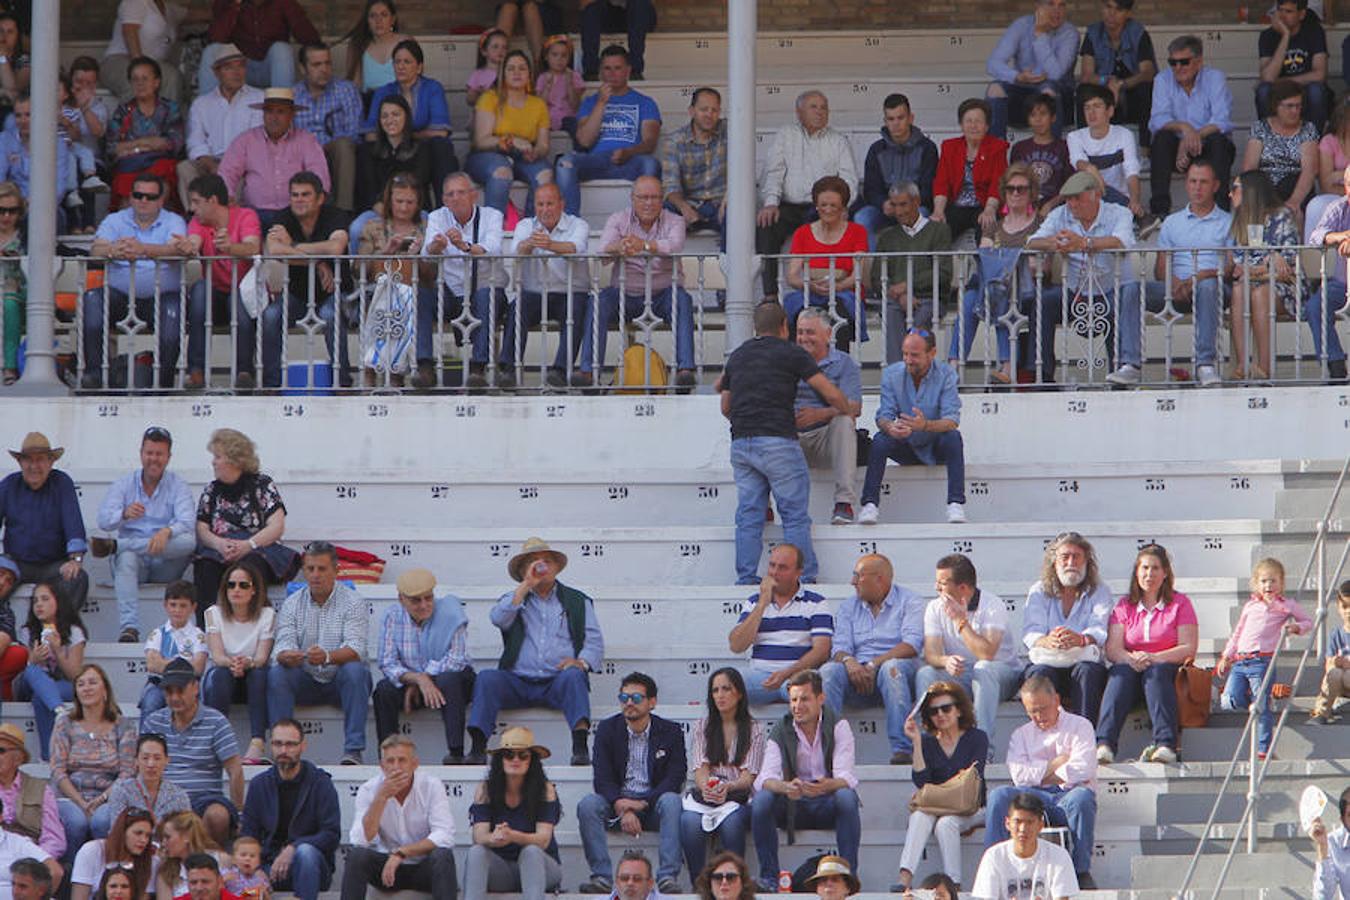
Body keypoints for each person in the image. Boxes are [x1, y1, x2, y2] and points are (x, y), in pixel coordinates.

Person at [718, 301, 851, 583]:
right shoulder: (792, 353)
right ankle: (806, 577)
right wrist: (844, 407)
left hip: (742, 443)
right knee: (793, 515)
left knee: (749, 514)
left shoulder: (739, 355)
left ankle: (745, 577)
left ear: (755, 327)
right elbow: (829, 392)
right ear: (784, 328)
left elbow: (725, 406)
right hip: (778, 440)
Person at [468, 537, 603, 765]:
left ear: (557, 567)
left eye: (547, 561)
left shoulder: (577, 600)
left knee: (575, 675)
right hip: (518, 681)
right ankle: (478, 748)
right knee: (487, 678)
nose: (542, 566)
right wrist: (525, 585)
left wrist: (582, 662)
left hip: (556, 682)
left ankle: (580, 748)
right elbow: (497, 618)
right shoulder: (515, 598)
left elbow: (594, 641)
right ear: (523, 570)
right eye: (533, 562)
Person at [574, 175, 697, 389]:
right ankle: (588, 371)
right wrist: (619, 246)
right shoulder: (618, 219)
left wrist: (645, 246)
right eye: (643, 197)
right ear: (632, 198)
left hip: (663, 294)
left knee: (682, 300)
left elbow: (675, 246)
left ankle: (685, 370)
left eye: (655, 197)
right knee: (598, 302)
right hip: (624, 294)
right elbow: (602, 253)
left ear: (662, 200)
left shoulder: (674, 220)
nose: (649, 203)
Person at [1118, 158, 1231, 388]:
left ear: (1216, 186)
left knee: (1208, 287)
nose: (1197, 187)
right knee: (1131, 288)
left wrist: (1198, 278)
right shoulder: (1171, 222)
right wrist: (1175, 283)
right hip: (1174, 288)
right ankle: (1130, 364)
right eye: (1193, 182)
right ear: (1186, 184)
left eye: (1204, 182)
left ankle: (1204, 364)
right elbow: (1161, 268)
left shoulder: (1228, 222)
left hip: (1212, 287)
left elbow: (1230, 267)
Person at [750, 670, 861, 891]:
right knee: (762, 800)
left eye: (804, 699)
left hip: (826, 804)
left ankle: (848, 878)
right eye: (793, 700)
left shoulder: (838, 725)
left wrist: (827, 785)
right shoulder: (781, 728)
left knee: (847, 797)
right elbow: (764, 778)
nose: (797, 706)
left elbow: (846, 776)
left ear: (821, 698)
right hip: (794, 805)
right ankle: (770, 879)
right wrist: (786, 787)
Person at [983, 676, 1098, 889]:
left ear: (1056, 700)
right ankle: (994, 867)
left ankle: (1080, 872)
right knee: (999, 796)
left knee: (1082, 798)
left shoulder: (1080, 726)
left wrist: (1039, 772)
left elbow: (1084, 769)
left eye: (1042, 709)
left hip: (1068, 795)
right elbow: (1019, 775)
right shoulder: (1021, 735)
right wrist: (1056, 764)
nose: (1038, 716)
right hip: (1031, 796)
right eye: (1031, 711)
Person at [577, 672, 685, 893]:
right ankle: (602, 877)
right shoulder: (608, 729)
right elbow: (602, 777)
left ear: (652, 702)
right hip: (616, 803)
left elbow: (675, 777)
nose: (628, 703)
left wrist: (643, 803)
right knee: (588, 805)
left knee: (673, 801)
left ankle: (667, 877)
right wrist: (623, 806)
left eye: (636, 698)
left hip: (653, 805)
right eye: (624, 698)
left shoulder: (671, 731)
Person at [1026, 170, 1137, 384]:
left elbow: (1122, 242)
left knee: (1125, 296)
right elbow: (1032, 242)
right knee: (1043, 301)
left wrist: (1084, 243)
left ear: (1095, 195)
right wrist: (1057, 243)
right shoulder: (1061, 214)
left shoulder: (1119, 212)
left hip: (1112, 290)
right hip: (1076, 293)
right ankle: (1041, 375)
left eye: (1077, 198)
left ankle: (1122, 374)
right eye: (1068, 198)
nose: (1072, 204)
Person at [81, 172, 190, 390]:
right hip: (119, 296)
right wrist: (112, 249)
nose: (143, 201)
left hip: (163, 296)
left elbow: (176, 250)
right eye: (138, 195)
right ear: (131, 197)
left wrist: (144, 250)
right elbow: (95, 249)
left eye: (150, 197)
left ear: (161, 200)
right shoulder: (115, 219)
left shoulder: (173, 220)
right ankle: (94, 376)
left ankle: (163, 383)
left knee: (171, 326)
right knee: (92, 300)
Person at [268, 542, 370, 764]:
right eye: (310, 569)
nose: (315, 575)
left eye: (322, 569)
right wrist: (287, 655)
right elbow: (282, 646)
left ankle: (353, 750)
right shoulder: (292, 603)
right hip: (304, 678)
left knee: (355, 670)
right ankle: (282, 748)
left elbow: (357, 649)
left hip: (339, 682)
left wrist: (326, 656)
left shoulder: (353, 601)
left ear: (336, 570)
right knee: (278, 672)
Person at [1095, 544, 1198, 765]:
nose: (1149, 574)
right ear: (1136, 572)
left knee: (1156, 672)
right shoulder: (1124, 606)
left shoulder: (1180, 604)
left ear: (1165, 573)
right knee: (1119, 672)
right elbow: (1113, 649)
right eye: (1144, 568)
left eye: (1155, 568)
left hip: (1165, 668)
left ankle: (1165, 745)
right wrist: (1131, 659)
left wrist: (1154, 657)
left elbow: (1188, 647)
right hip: (1132, 666)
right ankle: (1104, 744)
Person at [820, 553, 927, 764]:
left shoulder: (910, 601)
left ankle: (903, 749)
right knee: (828, 672)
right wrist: (850, 663)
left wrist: (873, 664)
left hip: (896, 673)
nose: (852, 582)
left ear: (879, 578)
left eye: (857, 576)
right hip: (857, 674)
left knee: (891, 669)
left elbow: (911, 645)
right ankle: (826, 750)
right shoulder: (848, 606)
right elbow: (840, 648)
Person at [92, 426, 196, 642]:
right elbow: (103, 520)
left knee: (188, 542)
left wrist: (167, 531)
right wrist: (124, 514)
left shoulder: (178, 485)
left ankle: (120, 545)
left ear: (168, 457)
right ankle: (129, 628)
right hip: (134, 565)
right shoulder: (124, 484)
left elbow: (187, 522)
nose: (154, 459)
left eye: (159, 454)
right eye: (149, 453)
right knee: (128, 557)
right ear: (141, 453)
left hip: (165, 562)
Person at [857, 329, 966, 525]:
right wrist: (891, 428)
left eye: (914, 355)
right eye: (905, 354)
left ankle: (956, 504)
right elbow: (883, 416)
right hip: (905, 444)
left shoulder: (947, 374)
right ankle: (869, 505)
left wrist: (924, 425)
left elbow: (952, 420)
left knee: (953, 437)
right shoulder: (891, 374)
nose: (908, 360)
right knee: (880, 440)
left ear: (932, 353)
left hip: (934, 445)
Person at [756, 91, 859, 298]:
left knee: (833, 223)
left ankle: (829, 289)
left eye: (824, 107)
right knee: (765, 225)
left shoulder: (838, 140)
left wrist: (842, 205)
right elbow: (774, 171)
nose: (820, 112)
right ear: (799, 112)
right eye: (814, 107)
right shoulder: (786, 135)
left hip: (824, 207)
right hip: (789, 206)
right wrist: (770, 203)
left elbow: (849, 179)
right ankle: (770, 296)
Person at [257, 170, 352, 388]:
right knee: (271, 316)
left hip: (334, 292)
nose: (299, 200)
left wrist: (293, 246)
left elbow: (336, 248)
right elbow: (276, 252)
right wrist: (318, 262)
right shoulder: (282, 218)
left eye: (305, 195)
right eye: (295, 195)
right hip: (297, 294)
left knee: (330, 315)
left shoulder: (336, 216)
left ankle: (343, 383)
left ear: (320, 198)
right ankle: (271, 384)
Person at [948, 163, 1041, 383]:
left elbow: (1040, 266)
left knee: (1000, 294)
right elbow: (985, 259)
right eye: (1010, 189)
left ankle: (1007, 367)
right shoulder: (993, 226)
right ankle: (953, 367)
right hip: (991, 286)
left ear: (1031, 193)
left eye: (1021, 189)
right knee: (970, 300)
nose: (1015, 193)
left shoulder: (1039, 225)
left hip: (1023, 289)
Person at [373, 567, 475, 765]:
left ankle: (456, 752)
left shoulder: (450, 611)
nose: (424, 605)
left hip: (450, 680)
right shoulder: (392, 616)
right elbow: (387, 662)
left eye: (428, 598)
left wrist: (425, 678)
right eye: (416, 600)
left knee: (449, 679)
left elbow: (456, 660)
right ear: (401, 599)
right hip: (414, 681)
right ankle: (389, 755)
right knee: (383, 691)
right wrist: (418, 679)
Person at [138, 658, 245, 847]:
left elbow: (235, 770)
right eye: (169, 691)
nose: (174, 697)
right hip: (163, 797)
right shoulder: (153, 722)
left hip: (205, 799)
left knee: (218, 815)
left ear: (195, 688)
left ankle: (210, 863)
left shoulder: (216, 721)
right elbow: (141, 767)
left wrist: (239, 813)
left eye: (180, 690)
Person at [413, 172, 504, 390]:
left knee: (487, 295)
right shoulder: (438, 216)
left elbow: (494, 248)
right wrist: (435, 246)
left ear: (473, 195)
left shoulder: (491, 215)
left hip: (483, 287)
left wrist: (465, 246)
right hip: (451, 292)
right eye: (450, 194)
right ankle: (424, 366)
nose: (456, 198)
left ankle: (478, 369)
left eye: (461, 192)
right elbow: (427, 253)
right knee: (420, 296)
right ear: (444, 200)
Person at [193, 428, 298, 617]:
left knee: (251, 566)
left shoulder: (262, 484)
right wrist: (219, 544)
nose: (213, 462)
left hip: (257, 547)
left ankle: (253, 626)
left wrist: (249, 545)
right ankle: (206, 630)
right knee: (204, 566)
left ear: (234, 459)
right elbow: (202, 528)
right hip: (221, 549)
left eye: (217, 456)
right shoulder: (211, 490)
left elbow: (277, 526)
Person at [917, 554, 1021, 744]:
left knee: (983, 668)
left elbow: (986, 654)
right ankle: (930, 744)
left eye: (942, 583)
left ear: (962, 588)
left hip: (1001, 676)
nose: (936, 587)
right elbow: (931, 654)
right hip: (963, 675)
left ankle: (981, 747)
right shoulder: (934, 607)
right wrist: (945, 661)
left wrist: (960, 621)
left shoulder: (992, 605)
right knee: (926, 674)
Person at [896, 681, 989, 892]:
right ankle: (905, 877)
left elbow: (971, 778)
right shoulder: (928, 743)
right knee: (920, 816)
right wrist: (917, 742)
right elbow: (921, 781)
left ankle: (952, 885)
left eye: (946, 708)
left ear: (959, 710)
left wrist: (936, 793)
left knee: (945, 823)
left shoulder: (977, 738)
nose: (940, 714)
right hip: (939, 807)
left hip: (972, 807)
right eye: (934, 711)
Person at [1217, 558, 1312, 759]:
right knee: (1229, 701)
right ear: (1256, 583)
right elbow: (1238, 632)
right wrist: (1227, 655)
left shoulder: (1286, 606)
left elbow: (1307, 621)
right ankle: (1255, 698)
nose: (1268, 585)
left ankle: (1264, 748)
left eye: (1273, 581)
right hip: (1240, 661)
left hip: (1262, 661)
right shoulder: (1251, 606)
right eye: (1264, 581)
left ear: (1281, 583)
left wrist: (1296, 628)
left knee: (1261, 707)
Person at [342, 734, 456, 900]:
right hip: (385, 871)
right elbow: (361, 839)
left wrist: (402, 853)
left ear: (414, 764)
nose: (396, 767)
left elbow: (444, 835)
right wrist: (380, 798)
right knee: (356, 856)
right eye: (390, 761)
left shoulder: (431, 786)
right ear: (382, 766)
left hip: (421, 867)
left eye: (402, 760)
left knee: (443, 856)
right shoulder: (369, 789)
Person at [501, 181, 590, 388]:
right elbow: (516, 253)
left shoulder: (578, 224)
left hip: (569, 292)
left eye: (550, 204)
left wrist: (550, 245)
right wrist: (529, 244)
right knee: (517, 308)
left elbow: (576, 250)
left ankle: (559, 371)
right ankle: (508, 369)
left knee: (575, 310)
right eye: (540, 205)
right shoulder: (526, 225)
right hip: (535, 293)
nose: (545, 210)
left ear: (562, 204)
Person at [240, 718, 340, 899]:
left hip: (312, 868)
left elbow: (331, 835)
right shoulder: (259, 785)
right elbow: (248, 835)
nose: (284, 750)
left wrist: (294, 848)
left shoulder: (320, 783)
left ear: (303, 746)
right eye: (278, 744)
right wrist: (255, 868)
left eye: (290, 744)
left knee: (306, 852)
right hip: (268, 867)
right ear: (271, 746)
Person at [557, 45, 661, 217]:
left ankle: (645, 224)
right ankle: (570, 224)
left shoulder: (645, 102)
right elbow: (584, 141)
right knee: (564, 163)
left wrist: (629, 152)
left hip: (631, 160)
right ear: (600, 73)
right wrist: (602, 103)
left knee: (651, 164)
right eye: (607, 68)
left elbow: (650, 142)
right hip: (597, 160)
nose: (612, 73)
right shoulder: (590, 102)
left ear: (628, 70)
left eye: (618, 68)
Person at [1020, 531, 1112, 723]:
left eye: (1076, 557)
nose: (1071, 563)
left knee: (1087, 671)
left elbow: (1099, 628)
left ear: (1086, 561)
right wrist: (1047, 640)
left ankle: (1086, 738)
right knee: (1039, 674)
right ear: (1054, 562)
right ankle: (1045, 739)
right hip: (1049, 660)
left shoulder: (1100, 590)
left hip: (1082, 660)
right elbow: (1031, 632)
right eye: (1065, 557)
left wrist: (1081, 639)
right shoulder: (1038, 590)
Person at [463, 726, 563, 900]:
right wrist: (493, 837)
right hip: (502, 870)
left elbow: (543, 840)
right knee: (476, 852)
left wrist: (513, 836)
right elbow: (479, 836)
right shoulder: (486, 789)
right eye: (509, 755)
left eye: (523, 755)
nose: (515, 760)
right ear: (500, 759)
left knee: (531, 851)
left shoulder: (545, 790)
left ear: (531, 760)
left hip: (542, 866)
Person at [681, 669, 765, 876]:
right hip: (707, 795)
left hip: (738, 797)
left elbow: (748, 777)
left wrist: (728, 787)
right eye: (715, 690)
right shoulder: (702, 726)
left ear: (739, 693)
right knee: (689, 822)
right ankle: (699, 886)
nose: (720, 695)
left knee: (732, 823)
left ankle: (734, 884)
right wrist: (708, 788)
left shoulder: (755, 729)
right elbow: (701, 769)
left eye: (726, 689)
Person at [183, 173, 263, 390]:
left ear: (213, 201)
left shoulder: (246, 216)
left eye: (196, 202)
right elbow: (193, 241)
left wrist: (230, 248)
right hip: (215, 295)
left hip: (243, 292)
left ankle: (244, 371)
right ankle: (196, 371)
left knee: (238, 301)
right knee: (200, 289)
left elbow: (253, 247)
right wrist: (187, 247)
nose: (192, 208)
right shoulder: (199, 222)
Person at [727, 543, 832, 703]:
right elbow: (736, 645)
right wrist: (762, 603)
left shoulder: (816, 603)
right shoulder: (754, 602)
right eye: (772, 565)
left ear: (798, 572)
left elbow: (822, 650)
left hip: (798, 676)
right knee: (723, 684)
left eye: (782, 568)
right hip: (759, 677)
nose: (774, 573)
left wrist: (787, 673)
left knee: (805, 691)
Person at [1148, 35, 1236, 218]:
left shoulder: (1215, 78)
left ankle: (1220, 210)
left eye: (1184, 62)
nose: (1177, 68)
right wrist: (1184, 128)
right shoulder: (1162, 79)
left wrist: (1192, 137)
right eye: (1173, 62)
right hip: (1176, 151)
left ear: (1199, 61)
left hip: (1208, 145)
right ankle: (1159, 211)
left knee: (1219, 141)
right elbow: (1157, 120)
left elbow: (1222, 121)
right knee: (1161, 139)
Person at [49, 665, 136, 849]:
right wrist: (81, 802)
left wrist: (102, 799)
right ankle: (71, 872)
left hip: (110, 796)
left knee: (101, 821)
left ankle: (107, 870)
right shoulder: (65, 723)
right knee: (76, 822)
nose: (86, 688)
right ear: (76, 693)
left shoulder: (123, 725)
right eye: (81, 684)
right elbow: (57, 770)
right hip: (70, 796)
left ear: (105, 689)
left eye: (92, 682)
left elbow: (127, 772)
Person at [0, 433, 89, 609]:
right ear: (20, 463)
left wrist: (76, 559)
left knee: (78, 578)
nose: (34, 466)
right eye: (28, 460)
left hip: (54, 565)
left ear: (51, 462)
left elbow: (74, 524)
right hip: (16, 563)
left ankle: (59, 632)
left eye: (40, 459)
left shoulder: (62, 483)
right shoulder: (9, 485)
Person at [1228, 169, 1302, 381]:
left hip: (1286, 287)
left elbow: (1288, 264)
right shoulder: (1240, 220)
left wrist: (1262, 265)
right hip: (1252, 282)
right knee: (1239, 289)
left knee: (1260, 294)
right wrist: (1269, 260)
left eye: (1235, 189)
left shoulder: (1282, 216)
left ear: (1251, 191)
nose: (1230, 194)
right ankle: (1243, 365)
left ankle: (1264, 368)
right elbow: (1238, 266)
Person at [782, 175, 870, 349]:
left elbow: (858, 274)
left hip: (843, 294)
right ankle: (798, 368)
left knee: (839, 316)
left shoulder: (857, 231)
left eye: (833, 205)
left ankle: (838, 368)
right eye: (823, 205)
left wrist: (837, 287)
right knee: (798, 315)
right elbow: (792, 276)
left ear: (843, 207)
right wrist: (809, 285)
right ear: (816, 206)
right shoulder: (803, 233)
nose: (828, 210)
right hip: (810, 292)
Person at [218, 87, 330, 224]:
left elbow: (319, 176)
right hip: (254, 214)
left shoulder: (306, 140)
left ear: (292, 115)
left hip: (296, 215)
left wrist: (312, 204)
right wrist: (227, 198)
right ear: (263, 114)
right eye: (269, 111)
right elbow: (227, 173)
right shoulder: (246, 140)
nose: (274, 118)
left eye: (281, 112)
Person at [362, 39, 457, 197]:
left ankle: (444, 209)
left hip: (421, 147)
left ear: (419, 67)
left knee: (441, 146)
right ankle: (372, 206)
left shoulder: (432, 88)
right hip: (392, 147)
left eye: (407, 61)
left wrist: (406, 135)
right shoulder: (383, 92)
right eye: (397, 62)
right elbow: (370, 133)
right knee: (365, 149)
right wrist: (396, 138)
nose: (401, 66)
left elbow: (441, 131)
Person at [202, 559, 273, 765]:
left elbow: (261, 657)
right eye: (231, 585)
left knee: (260, 674)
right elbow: (217, 655)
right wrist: (232, 663)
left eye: (243, 585)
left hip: (253, 672)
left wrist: (247, 663)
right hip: (225, 672)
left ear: (254, 590)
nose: (236, 590)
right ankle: (217, 741)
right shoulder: (213, 613)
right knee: (221, 675)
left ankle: (257, 742)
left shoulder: (267, 614)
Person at [794, 309, 862, 524]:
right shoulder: (787, 360)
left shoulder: (844, 363)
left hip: (826, 439)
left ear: (827, 334)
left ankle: (844, 504)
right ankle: (764, 506)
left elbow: (855, 407)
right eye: (800, 332)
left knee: (844, 420)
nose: (804, 338)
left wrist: (820, 413)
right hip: (791, 439)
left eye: (810, 333)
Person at [872, 181, 954, 355]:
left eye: (903, 204)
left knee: (919, 326)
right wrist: (901, 294)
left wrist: (908, 285)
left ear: (916, 202)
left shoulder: (939, 231)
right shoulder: (887, 237)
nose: (899, 211)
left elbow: (943, 273)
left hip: (929, 298)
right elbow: (877, 276)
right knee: (890, 312)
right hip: (895, 300)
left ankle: (915, 372)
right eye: (894, 205)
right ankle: (898, 374)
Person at [178, 46, 264, 210]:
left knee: (240, 174)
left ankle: (230, 218)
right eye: (229, 67)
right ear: (217, 73)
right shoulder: (202, 104)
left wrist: (228, 167)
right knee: (185, 168)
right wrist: (211, 165)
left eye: (240, 66)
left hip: (242, 163)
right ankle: (196, 216)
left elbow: (255, 142)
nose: (236, 72)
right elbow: (195, 142)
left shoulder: (259, 98)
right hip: (210, 162)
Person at [468, 49, 552, 216]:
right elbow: (481, 141)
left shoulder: (538, 104)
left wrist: (535, 152)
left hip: (523, 156)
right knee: (502, 172)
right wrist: (512, 141)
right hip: (488, 154)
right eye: (511, 68)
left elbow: (543, 145)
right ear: (502, 74)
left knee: (544, 175)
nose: (516, 73)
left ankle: (530, 232)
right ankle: (494, 232)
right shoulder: (490, 98)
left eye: (522, 68)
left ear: (529, 74)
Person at [985, 0, 1079, 139]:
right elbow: (993, 63)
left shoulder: (1070, 32)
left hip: (1058, 96)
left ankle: (1052, 151)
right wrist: (1017, 76)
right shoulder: (1022, 25)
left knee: (1048, 89)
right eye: (1051, 4)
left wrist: (1040, 34)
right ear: (1038, 6)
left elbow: (1055, 74)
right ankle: (995, 152)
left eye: (1062, 5)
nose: (1057, 10)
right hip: (1023, 90)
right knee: (995, 89)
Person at [856, 93, 939, 247]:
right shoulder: (876, 150)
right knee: (863, 218)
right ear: (885, 121)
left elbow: (929, 187)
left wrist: (907, 204)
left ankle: (912, 268)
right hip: (886, 208)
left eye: (900, 118)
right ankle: (874, 269)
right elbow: (870, 189)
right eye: (891, 119)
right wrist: (883, 203)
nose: (896, 123)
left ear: (911, 118)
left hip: (915, 207)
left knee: (924, 214)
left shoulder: (927, 148)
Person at [14, 584, 86, 761]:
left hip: (61, 684)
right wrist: (33, 659)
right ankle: (59, 710)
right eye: (35, 601)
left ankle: (47, 757)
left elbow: (76, 676)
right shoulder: (26, 631)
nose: (39, 605)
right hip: (28, 684)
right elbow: (21, 672)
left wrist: (59, 651)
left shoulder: (74, 631)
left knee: (41, 699)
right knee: (32, 670)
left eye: (45, 599)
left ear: (58, 602)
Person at [292, 42, 361, 214]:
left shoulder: (345, 90)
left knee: (345, 145)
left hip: (334, 150)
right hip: (303, 154)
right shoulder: (292, 96)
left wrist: (322, 150)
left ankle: (343, 212)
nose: (324, 69)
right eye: (316, 65)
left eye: (327, 63)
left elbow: (354, 133)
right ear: (302, 68)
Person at [105, 58, 183, 210]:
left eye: (145, 79)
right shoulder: (123, 111)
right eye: (135, 79)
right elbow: (111, 148)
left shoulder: (169, 108)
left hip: (160, 167)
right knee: (127, 201)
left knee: (160, 187)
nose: (140, 84)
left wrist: (130, 148)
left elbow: (175, 143)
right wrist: (145, 143)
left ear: (156, 82)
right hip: (129, 167)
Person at [972, 792, 1079, 899]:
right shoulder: (993, 856)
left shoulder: (1059, 856)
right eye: (1017, 822)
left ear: (1040, 825)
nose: (1023, 829)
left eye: (1030, 822)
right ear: (1007, 823)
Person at [932, 99, 1009, 247]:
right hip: (957, 205)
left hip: (984, 204)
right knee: (937, 231)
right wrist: (938, 211)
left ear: (987, 126)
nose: (973, 126)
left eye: (978, 121)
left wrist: (990, 209)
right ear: (961, 124)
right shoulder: (949, 147)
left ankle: (984, 269)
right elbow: (942, 182)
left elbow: (998, 182)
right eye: (969, 121)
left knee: (987, 226)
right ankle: (941, 270)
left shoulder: (997, 147)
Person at [199, 0, 319, 94]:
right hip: (239, 69)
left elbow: (310, 38)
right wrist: (235, 5)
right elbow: (215, 39)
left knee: (282, 49)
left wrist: (290, 10)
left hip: (271, 70)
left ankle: (282, 107)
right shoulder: (227, 2)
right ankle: (207, 113)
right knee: (211, 51)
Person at [1077, 0, 1156, 141]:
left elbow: (1147, 72)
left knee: (1147, 89)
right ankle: (1086, 145)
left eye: (1118, 9)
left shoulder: (1138, 33)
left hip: (1131, 89)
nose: (1111, 14)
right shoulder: (1093, 32)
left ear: (1128, 13)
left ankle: (1145, 149)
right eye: (1108, 7)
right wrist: (1107, 81)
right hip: (1104, 88)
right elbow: (1087, 74)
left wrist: (1121, 84)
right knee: (1084, 90)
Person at [661, 87, 728, 249]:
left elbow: (743, 172)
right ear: (691, 111)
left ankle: (730, 269)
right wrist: (684, 207)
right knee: (663, 210)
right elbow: (670, 185)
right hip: (689, 204)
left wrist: (730, 197)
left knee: (738, 212)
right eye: (703, 109)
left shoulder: (731, 132)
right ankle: (665, 270)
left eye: (714, 110)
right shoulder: (674, 141)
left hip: (721, 204)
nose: (709, 115)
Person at [1069, 84, 1146, 218]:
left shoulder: (1124, 135)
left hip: (1120, 198)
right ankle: (1139, 217)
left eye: (1097, 106)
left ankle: (1131, 212)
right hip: (1090, 199)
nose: (1091, 113)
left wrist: (1135, 201)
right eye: (1087, 108)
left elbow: (1131, 171)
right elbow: (1078, 161)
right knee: (1092, 181)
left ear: (1110, 111)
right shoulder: (1075, 137)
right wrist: (1091, 169)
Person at [1242, 78, 1319, 209]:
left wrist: (1294, 202)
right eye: (1289, 106)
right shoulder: (1261, 128)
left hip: (1295, 187)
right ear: (1275, 105)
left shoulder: (1308, 129)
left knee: (1291, 181)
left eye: (1298, 106)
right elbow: (1249, 168)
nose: (1295, 111)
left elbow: (1309, 171)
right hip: (1266, 188)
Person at [102, 0, 197, 102]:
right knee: (139, 81)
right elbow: (129, 30)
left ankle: (167, 117)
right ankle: (135, 117)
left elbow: (201, 14)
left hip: (154, 64)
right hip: (119, 60)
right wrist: (140, 65)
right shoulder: (136, 2)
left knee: (172, 76)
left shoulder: (169, 9)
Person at [138, 581, 208, 717]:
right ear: (165, 605)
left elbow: (198, 667)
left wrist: (165, 663)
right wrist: (184, 664)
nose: (177, 610)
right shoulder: (158, 633)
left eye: (183, 606)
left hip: (187, 684)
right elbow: (152, 664)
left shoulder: (198, 635)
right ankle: (146, 737)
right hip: (160, 683)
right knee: (151, 702)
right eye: (173, 605)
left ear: (193, 607)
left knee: (195, 704)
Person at [1257, 0, 1329, 131]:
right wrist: (1285, 36)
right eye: (1280, 10)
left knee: (1316, 91)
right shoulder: (1267, 36)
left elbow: (1320, 74)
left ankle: (1313, 142)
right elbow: (1267, 77)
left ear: (1301, 14)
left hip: (1305, 90)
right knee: (1263, 91)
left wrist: (1281, 81)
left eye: (1288, 11)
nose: (1282, 16)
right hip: (1279, 93)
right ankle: (1270, 143)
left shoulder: (1314, 32)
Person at [356, 95, 435, 213]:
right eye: (384, 116)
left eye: (396, 114)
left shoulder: (422, 148)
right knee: (356, 229)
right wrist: (378, 205)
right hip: (379, 210)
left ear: (406, 117)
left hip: (413, 210)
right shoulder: (368, 150)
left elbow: (419, 184)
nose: (390, 120)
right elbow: (367, 188)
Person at [0, 96, 75, 214]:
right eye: (18, 115)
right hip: (12, 205)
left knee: (58, 215)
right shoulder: (4, 140)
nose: (23, 120)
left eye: (28, 115)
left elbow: (59, 185)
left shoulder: (57, 143)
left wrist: (38, 204)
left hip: (45, 204)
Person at [0, 723, 64, 860]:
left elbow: (54, 839)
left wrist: (33, 863)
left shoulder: (41, 789)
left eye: (1, 751)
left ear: (18, 758)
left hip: (30, 860)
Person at [104, 731, 192, 825]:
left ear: (167, 761)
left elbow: (185, 832)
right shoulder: (122, 791)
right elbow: (117, 831)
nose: (151, 764)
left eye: (157, 758)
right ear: (136, 760)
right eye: (145, 758)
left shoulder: (178, 795)